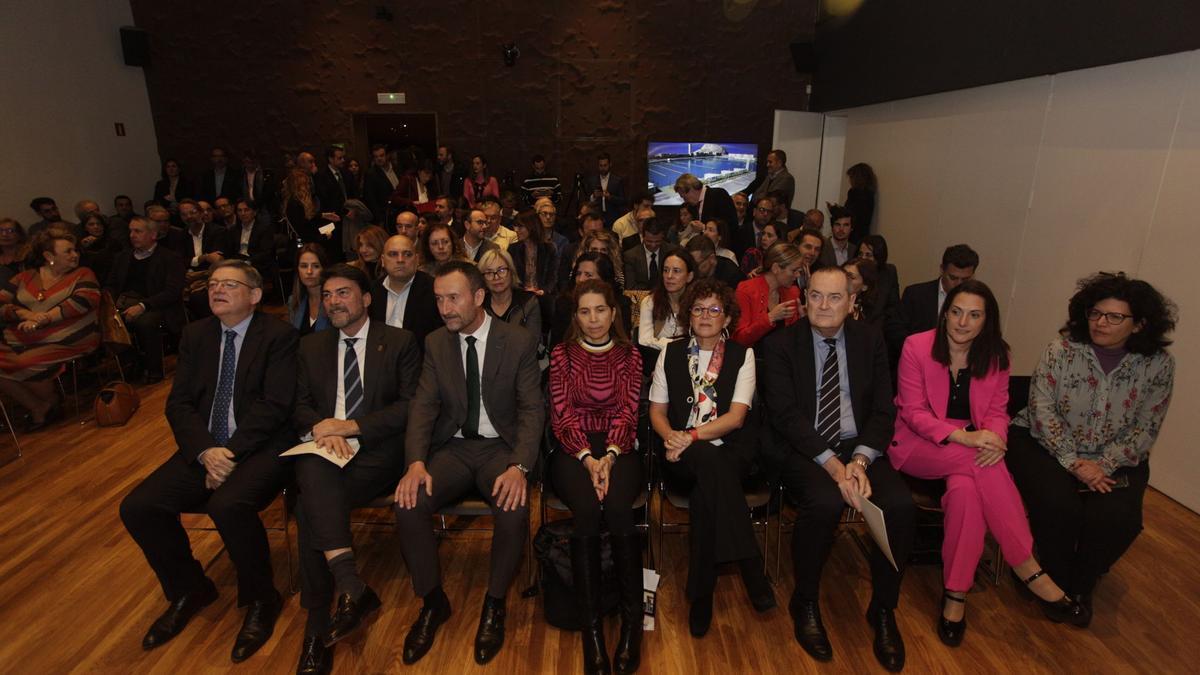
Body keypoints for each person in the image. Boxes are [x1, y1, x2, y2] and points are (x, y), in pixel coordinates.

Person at [890, 280, 1090, 647]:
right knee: (982, 464)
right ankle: (1027, 566)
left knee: (965, 493)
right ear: (944, 312)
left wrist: (996, 439)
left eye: (974, 315)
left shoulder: (997, 355)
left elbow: (998, 411)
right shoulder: (916, 346)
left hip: (974, 449)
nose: (962, 322)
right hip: (919, 444)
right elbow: (913, 412)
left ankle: (955, 595)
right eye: (956, 311)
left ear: (987, 320)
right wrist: (968, 438)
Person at [118, 260, 297, 662]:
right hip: (205, 447)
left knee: (228, 504)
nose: (217, 290)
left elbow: (276, 405)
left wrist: (230, 453)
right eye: (213, 284)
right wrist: (206, 451)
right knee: (139, 506)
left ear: (254, 295)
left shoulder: (279, 335)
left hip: (261, 446)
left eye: (229, 285)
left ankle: (261, 598)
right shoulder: (196, 334)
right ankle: (190, 589)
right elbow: (179, 402)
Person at [761, 266, 915, 672]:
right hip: (805, 447)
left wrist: (860, 460)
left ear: (851, 303)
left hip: (858, 445)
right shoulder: (779, 345)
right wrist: (834, 466)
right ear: (804, 298)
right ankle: (806, 600)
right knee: (825, 504)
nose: (823, 305)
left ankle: (883, 608)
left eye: (834, 297)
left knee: (899, 505)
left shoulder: (870, 340)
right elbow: (785, 415)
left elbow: (884, 408)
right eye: (815, 296)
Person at [393, 261, 544, 666]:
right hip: (454, 450)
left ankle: (494, 603)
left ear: (478, 297)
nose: (444, 308)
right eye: (439, 298)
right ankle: (432, 601)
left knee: (512, 507)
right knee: (408, 502)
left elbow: (532, 410)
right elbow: (422, 408)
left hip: (502, 451)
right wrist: (415, 463)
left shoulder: (517, 341)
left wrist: (520, 467)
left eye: (453, 297)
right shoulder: (436, 342)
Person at [1006, 272, 1177, 619]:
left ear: (1140, 324)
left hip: (1114, 458)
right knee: (1058, 506)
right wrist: (1074, 462)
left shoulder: (1158, 365)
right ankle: (1053, 584)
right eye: (1096, 313)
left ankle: (1078, 585)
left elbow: (1148, 425)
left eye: (1115, 317)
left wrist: (1104, 464)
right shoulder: (1062, 350)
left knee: (1118, 519)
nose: (1101, 322)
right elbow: (1041, 410)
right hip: (1044, 444)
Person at [291, 263, 421, 674]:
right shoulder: (311, 346)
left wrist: (349, 427)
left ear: (366, 299)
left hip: (376, 452)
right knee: (314, 475)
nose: (333, 302)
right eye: (327, 295)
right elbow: (297, 404)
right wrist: (321, 430)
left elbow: (409, 407)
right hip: (324, 449)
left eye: (343, 293)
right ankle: (344, 593)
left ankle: (318, 628)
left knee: (310, 505)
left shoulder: (399, 342)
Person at [649, 278, 775, 637]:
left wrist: (687, 436)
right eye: (698, 308)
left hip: (732, 450)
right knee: (708, 475)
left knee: (709, 491)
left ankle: (701, 594)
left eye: (714, 309)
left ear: (727, 318)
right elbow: (656, 411)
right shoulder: (670, 354)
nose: (706, 315)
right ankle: (752, 568)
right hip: (681, 456)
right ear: (688, 315)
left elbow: (736, 418)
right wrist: (670, 435)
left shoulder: (742, 355)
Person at [549, 279, 644, 675]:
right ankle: (591, 631)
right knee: (586, 511)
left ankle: (631, 626)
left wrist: (610, 455)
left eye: (600, 310)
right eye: (585, 312)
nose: (593, 319)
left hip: (620, 446)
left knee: (620, 509)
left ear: (613, 313)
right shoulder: (562, 354)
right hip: (573, 447)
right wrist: (589, 458)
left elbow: (628, 410)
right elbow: (561, 413)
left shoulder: (630, 354)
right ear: (575, 316)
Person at [0, 228, 100, 430]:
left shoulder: (83, 274)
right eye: (68, 251)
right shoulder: (24, 278)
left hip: (70, 337)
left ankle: (52, 403)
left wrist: (43, 319)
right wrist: (23, 314)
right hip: (24, 336)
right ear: (48, 256)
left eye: (75, 251)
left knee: (25, 362)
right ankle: (39, 406)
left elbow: (83, 301)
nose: (75, 255)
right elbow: (1, 304)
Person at [106, 215, 186, 383]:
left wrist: (143, 305)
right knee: (107, 322)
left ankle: (154, 369)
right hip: (125, 302)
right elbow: (112, 285)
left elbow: (172, 292)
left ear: (153, 235)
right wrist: (109, 304)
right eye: (130, 231)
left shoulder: (170, 258)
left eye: (138, 231)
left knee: (145, 322)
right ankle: (133, 363)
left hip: (158, 305)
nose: (132, 235)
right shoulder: (122, 257)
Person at [369, 234, 444, 349]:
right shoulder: (371, 292)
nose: (400, 260)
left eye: (407, 254)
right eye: (393, 254)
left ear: (417, 259)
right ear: (383, 261)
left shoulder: (435, 290)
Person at [550, 252, 632, 348]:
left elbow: (623, 342)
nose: (580, 279)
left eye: (588, 275)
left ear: (604, 279)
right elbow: (556, 345)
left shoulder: (621, 304)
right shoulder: (564, 303)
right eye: (578, 273)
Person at [732, 242, 804, 348]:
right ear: (776, 268)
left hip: (781, 360)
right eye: (794, 271)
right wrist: (770, 318)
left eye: (799, 271)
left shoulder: (793, 292)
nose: (797, 275)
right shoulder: (746, 290)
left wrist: (803, 321)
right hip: (753, 359)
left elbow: (794, 342)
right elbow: (739, 339)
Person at [900, 244, 978, 337]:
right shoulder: (915, 295)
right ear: (942, 270)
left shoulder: (979, 302)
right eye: (953, 278)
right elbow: (897, 333)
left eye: (965, 279)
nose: (958, 284)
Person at [479, 248, 542, 344]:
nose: (496, 277)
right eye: (489, 273)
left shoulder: (528, 302)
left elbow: (532, 343)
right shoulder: (479, 305)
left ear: (511, 272)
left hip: (521, 357)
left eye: (501, 270)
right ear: (483, 279)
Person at [638, 249, 694, 352]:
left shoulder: (697, 304)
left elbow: (699, 343)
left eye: (676, 271)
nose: (669, 276)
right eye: (666, 270)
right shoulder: (650, 302)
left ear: (689, 277)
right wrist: (676, 345)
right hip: (657, 360)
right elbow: (644, 341)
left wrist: (659, 342)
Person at [284, 168, 340, 263]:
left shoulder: (296, 202)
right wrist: (324, 236)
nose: (309, 187)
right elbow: (304, 231)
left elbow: (306, 218)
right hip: (304, 247)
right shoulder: (295, 204)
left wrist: (323, 215)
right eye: (307, 184)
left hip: (304, 244)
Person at [674, 174, 738, 243]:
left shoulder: (718, 195)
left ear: (691, 189)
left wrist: (704, 228)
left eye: (684, 197)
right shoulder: (693, 206)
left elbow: (730, 226)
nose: (685, 200)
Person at [224, 198, 277, 281]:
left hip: (258, 265)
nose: (243, 213)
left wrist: (248, 262)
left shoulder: (264, 229)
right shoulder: (233, 230)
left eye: (246, 210)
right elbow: (230, 251)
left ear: (254, 212)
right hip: (238, 264)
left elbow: (266, 253)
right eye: (239, 211)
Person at [508, 210, 558, 295]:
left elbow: (553, 276)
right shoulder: (513, 249)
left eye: (520, 227)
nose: (516, 230)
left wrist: (543, 291)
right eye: (515, 226)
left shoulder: (549, 248)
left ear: (531, 226)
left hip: (543, 296)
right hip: (520, 296)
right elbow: (511, 277)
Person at [288, 244, 332, 336]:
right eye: (304, 266)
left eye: (316, 266)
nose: (309, 271)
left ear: (325, 269)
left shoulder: (334, 301)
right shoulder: (294, 302)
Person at [622, 217, 668, 291]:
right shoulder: (630, 256)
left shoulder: (671, 252)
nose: (653, 245)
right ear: (642, 237)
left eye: (657, 241)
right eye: (649, 241)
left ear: (663, 237)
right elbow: (631, 287)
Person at [582, 152, 625, 225]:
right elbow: (586, 200)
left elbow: (623, 200)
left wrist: (609, 197)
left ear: (610, 164)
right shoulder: (592, 181)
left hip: (613, 218)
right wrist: (594, 196)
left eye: (605, 165)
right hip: (596, 218)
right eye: (600, 165)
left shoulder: (617, 181)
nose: (603, 168)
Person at [78, 212, 121, 284]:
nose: (96, 227)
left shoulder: (113, 243)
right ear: (85, 228)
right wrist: (82, 248)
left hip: (109, 281)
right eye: (91, 224)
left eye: (99, 224)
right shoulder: (80, 244)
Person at [363, 144, 401, 226]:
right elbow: (370, 199)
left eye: (381, 155)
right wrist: (379, 219)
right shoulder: (371, 174)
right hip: (385, 216)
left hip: (400, 212)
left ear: (387, 155)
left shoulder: (396, 168)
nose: (379, 159)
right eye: (376, 157)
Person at [844, 258, 883, 327]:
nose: (843, 279)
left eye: (850, 277)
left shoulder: (872, 315)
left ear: (864, 286)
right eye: (842, 274)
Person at [845, 162, 877, 243]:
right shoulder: (870, 194)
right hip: (863, 235)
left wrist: (834, 210)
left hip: (852, 235)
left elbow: (848, 214)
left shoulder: (854, 193)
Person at [818, 204, 857, 268]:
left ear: (851, 228)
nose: (841, 229)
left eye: (846, 225)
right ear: (832, 227)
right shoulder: (821, 248)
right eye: (837, 224)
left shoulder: (855, 251)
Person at [0, 219, 29, 286]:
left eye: (10, 231)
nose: (4, 234)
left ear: (19, 235)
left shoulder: (28, 255)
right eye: (0, 231)